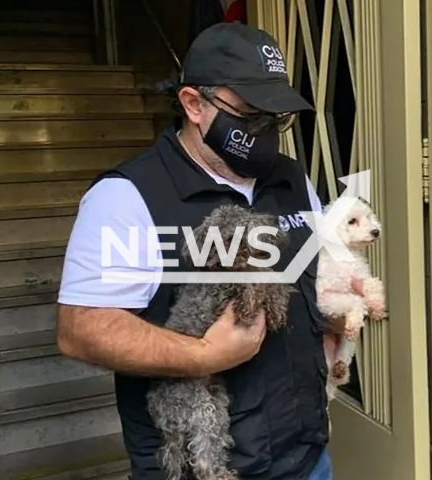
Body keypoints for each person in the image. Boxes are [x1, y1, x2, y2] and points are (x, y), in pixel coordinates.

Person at [56, 22, 332, 480]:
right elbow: (82, 329)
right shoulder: (127, 197)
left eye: (275, 118)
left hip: (306, 459)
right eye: (249, 115)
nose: (264, 130)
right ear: (194, 104)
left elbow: (313, 281)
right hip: (201, 467)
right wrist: (204, 355)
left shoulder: (291, 179)